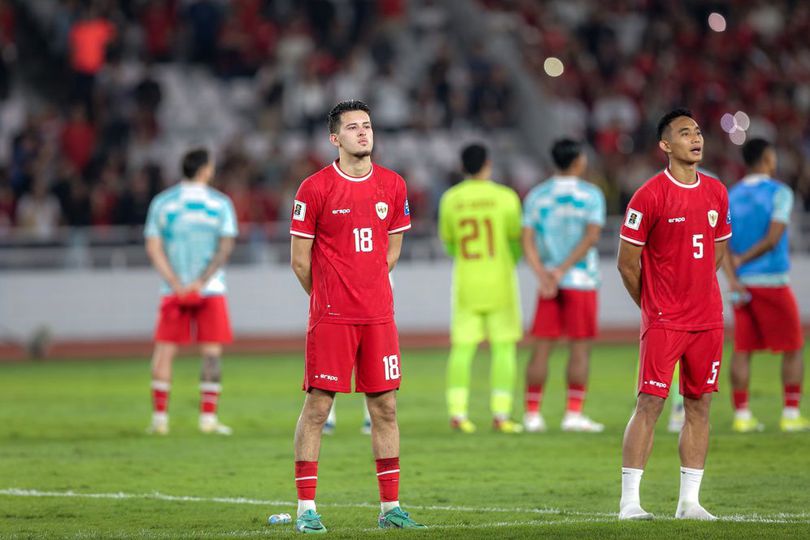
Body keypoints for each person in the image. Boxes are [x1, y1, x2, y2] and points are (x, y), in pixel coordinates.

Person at [288, 100, 425, 533]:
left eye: (367, 125)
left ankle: (391, 509)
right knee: (317, 407)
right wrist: (329, 297)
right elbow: (299, 260)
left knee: (385, 408)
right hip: (331, 318)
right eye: (353, 128)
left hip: (379, 317)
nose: (363, 133)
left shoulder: (394, 185)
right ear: (335, 138)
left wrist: (367, 289)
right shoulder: (314, 189)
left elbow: (393, 249)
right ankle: (306, 510)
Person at [616, 109, 731, 521]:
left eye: (698, 132)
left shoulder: (717, 192)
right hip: (665, 320)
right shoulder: (649, 195)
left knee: (699, 406)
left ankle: (690, 503)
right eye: (685, 133)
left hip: (708, 319)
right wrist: (652, 305)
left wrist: (694, 287)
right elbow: (627, 263)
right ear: (666, 146)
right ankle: (630, 502)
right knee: (650, 403)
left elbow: (717, 251)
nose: (696, 138)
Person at [144, 147, 238, 436]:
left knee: (163, 353)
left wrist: (175, 283)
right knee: (211, 353)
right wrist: (201, 281)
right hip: (210, 289)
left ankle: (160, 420)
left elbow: (153, 246)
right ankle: (208, 420)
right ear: (205, 169)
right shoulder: (220, 204)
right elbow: (225, 247)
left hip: (174, 290)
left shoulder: (163, 203)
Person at [721, 138, 808, 433]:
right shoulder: (780, 193)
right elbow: (773, 239)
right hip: (771, 280)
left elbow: (721, 245)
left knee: (743, 349)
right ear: (768, 158)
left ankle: (742, 416)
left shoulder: (729, 195)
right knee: (794, 347)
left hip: (742, 285)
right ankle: (790, 413)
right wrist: (745, 259)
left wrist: (733, 279)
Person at [521, 138, 606, 433]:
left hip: (548, 283)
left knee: (541, 348)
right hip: (580, 280)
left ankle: (532, 415)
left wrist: (544, 274)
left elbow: (527, 240)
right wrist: (563, 271)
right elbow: (591, 237)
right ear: (579, 161)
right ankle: (573, 414)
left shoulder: (537, 196)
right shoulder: (591, 195)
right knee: (579, 349)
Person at [438, 143, 524, 434]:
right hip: (500, 281)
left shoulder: (451, 199)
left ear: (462, 167)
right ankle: (501, 415)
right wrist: (507, 261)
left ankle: (458, 413)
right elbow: (515, 239)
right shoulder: (505, 197)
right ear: (488, 164)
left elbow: (449, 241)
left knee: (462, 349)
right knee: (503, 348)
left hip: (467, 283)